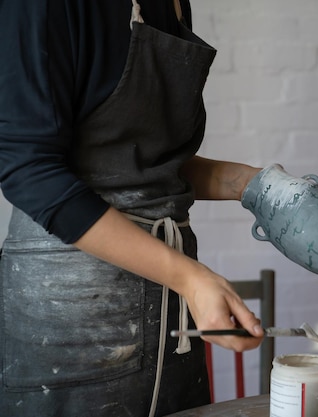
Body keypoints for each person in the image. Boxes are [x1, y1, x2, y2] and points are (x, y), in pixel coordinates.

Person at [0, 0, 266, 415]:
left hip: (169, 321)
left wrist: (250, 184)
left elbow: (144, 163)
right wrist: (189, 278)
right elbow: (28, 170)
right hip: (70, 325)